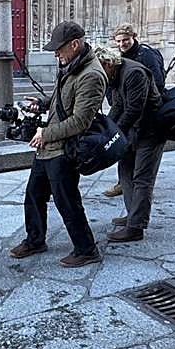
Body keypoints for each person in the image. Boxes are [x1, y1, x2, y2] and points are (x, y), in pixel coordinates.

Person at [10, 21, 106, 267]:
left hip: (64, 148)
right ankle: (35, 240)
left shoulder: (91, 75)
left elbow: (80, 122)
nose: (55, 53)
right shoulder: (71, 65)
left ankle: (86, 249)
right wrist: (42, 103)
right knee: (34, 194)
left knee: (67, 200)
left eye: (59, 48)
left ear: (75, 45)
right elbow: (62, 100)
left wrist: (46, 134)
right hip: (48, 147)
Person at [95, 45, 165, 242]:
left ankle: (136, 227)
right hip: (133, 131)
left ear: (108, 64)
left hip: (149, 131)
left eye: (100, 69)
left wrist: (114, 134)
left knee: (142, 177)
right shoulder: (115, 75)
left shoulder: (134, 72)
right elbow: (117, 105)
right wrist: (106, 129)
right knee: (125, 171)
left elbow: (134, 109)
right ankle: (132, 214)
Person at [103, 23, 166, 197]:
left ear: (134, 38)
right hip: (127, 110)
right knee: (125, 153)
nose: (122, 44)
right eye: (119, 41)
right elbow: (113, 85)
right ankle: (124, 185)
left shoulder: (146, 56)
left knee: (142, 163)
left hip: (146, 116)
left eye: (126, 40)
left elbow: (158, 83)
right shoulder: (117, 57)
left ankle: (141, 194)